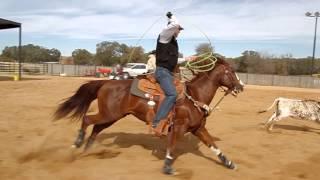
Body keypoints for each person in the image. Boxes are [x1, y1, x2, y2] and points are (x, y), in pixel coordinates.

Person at [152, 12, 196, 133]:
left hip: (169, 73)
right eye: (178, 29)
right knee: (172, 94)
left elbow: (172, 59)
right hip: (162, 72)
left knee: (182, 89)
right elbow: (174, 24)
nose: (179, 31)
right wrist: (171, 16)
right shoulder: (164, 37)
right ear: (173, 28)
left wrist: (186, 59)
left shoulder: (172, 42)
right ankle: (157, 122)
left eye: (180, 29)